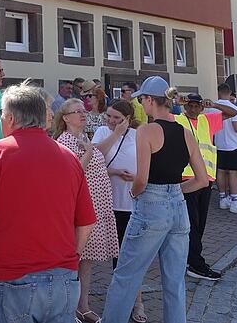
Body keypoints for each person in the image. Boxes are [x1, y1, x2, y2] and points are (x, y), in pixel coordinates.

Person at [0, 84, 97, 323]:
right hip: (63, 279)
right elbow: (86, 222)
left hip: (13, 277)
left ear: (10, 117)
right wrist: (70, 259)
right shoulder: (69, 157)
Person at [101, 76, 208, 323]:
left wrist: (134, 193)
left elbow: (142, 179)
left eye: (142, 99)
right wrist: (175, 193)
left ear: (150, 100)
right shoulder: (185, 133)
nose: (141, 104)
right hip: (178, 209)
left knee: (126, 276)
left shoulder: (147, 131)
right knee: (174, 280)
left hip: (151, 206)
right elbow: (202, 180)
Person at [53, 98, 120, 323]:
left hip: (95, 206)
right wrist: (89, 154)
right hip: (80, 208)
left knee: (87, 259)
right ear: (65, 118)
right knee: (75, 256)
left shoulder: (82, 137)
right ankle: (69, 307)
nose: (83, 114)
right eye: (77, 112)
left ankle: (83, 305)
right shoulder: (64, 141)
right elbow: (72, 174)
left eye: (83, 111)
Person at [93, 100, 146, 323]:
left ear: (128, 118)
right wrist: (113, 169)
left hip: (132, 200)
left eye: (117, 118)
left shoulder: (138, 134)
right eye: (110, 116)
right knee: (117, 256)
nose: (112, 121)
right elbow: (94, 159)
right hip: (109, 201)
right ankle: (119, 302)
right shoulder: (102, 131)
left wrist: (137, 177)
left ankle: (137, 302)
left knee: (132, 256)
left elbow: (146, 166)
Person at [176, 93, 237, 281]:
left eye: (197, 106)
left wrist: (216, 105)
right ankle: (195, 262)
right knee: (192, 223)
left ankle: (190, 258)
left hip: (205, 177)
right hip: (186, 177)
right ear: (186, 106)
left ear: (202, 107)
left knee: (200, 222)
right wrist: (175, 102)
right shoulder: (178, 119)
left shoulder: (207, 119)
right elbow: (156, 117)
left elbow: (232, 112)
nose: (193, 109)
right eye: (190, 106)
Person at [214, 84, 237, 215]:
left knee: (221, 172)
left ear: (218, 92)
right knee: (233, 173)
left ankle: (223, 197)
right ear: (229, 93)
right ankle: (234, 200)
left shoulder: (211, 108)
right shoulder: (233, 107)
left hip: (219, 144)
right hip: (233, 144)